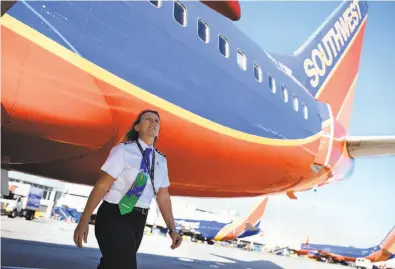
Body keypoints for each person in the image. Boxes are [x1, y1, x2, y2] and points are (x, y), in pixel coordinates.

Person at [73, 109, 182, 269]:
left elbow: (163, 197)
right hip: (114, 215)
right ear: (137, 127)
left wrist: (172, 229)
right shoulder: (123, 151)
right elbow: (102, 185)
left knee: (112, 265)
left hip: (138, 220)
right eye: (148, 119)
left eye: (156, 121)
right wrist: (84, 219)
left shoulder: (161, 160)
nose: (153, 122)